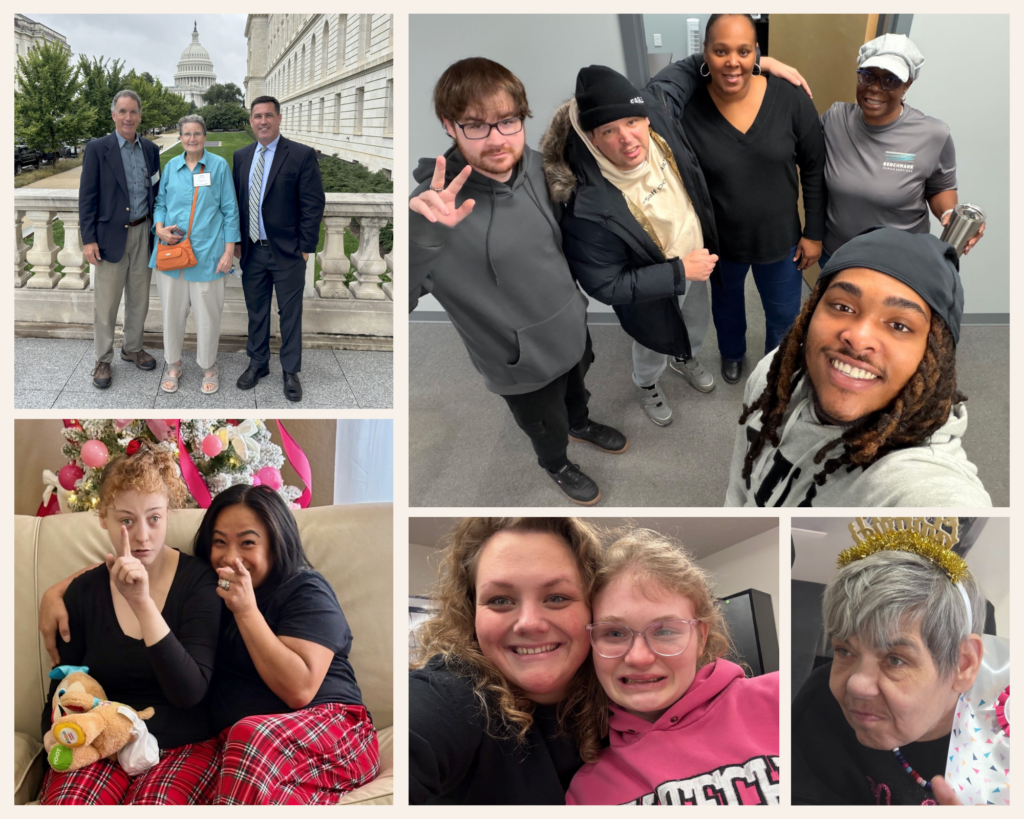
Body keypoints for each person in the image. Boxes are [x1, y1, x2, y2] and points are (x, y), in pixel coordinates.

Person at [40, 482, 379, 805]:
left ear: (276, 544)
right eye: (219, 543)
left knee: (247, 737)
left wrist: (246, 610)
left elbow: (300, 689)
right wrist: (55, 591)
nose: (230, 557)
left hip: (331, 728)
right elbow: (143, 563)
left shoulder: (304, 590)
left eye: (248, 543)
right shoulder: (207, 587)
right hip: (238, 750)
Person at [543, 57, 812, 425]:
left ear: (645, 117)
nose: (627, 138)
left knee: (695, 320)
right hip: (651, 284)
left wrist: (760, 59)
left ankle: (684, 356)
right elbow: (605, 283)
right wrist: (677, 272)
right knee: (653, 338)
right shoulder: (585, 201)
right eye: (608, 131)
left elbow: (690, 67)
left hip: (693, 260)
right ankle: (647, 382)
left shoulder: (658, 107)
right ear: (591, 138)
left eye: (632, 122)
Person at [409, 59, 628, 506]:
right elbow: (395, 301)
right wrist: (423, 236)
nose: (496, 139)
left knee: (578, 388)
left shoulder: (537, 165)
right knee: (544, 424)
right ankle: (557, 464)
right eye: (475, 125)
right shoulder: (431, 211)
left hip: (569, 324)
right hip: (518, 362)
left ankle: (581, 423)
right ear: (448, 126)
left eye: (507, 121)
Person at [727, 227, 992, 507]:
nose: (858, 338)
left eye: (899, 325)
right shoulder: (774, 374)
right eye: (843, 307)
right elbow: (737, 492)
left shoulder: (918, 482)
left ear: (934, 356)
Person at [37, 441, 222, 804]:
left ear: (169, 514)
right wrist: (61, 737)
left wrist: (142, 603)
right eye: (125, 520)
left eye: (154, 518)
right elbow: (63, 691)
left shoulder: (198, 581)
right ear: (102, 517)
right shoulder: (83, 593)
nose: (141, 536)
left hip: (179, 744)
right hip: (101, 744)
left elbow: (190, 692)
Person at [566, 530, 779, 805]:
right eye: (615, 634)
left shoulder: (780, 699)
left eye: (664, 631)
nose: (638, 658)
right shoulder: (586, 792)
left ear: (701, 637)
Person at [408, 518, 605, 804]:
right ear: (470, 610)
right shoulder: (451, 695)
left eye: (557, 597)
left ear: (594, 607)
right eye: (500, 600)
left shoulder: (629, 700)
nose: (529, 624)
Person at [683, 14, 826, 386]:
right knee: (727, 310)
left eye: (743, 51)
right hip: (720, 242)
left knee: (783, 314)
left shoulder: (791, 98)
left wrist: (813, 232)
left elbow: (813, 167)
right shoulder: (689, 107)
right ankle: (732, 354)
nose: (733, 62)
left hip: (781, 240)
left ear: (756, 53)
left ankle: (773, 369)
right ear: (705, 54)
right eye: (721, 51)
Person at [792, 539, 987, 805]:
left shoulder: (1002, 743)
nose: (856, 685)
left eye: (895, 660)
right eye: (844, 651)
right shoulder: (819, 705)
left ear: (963, 664)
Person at [821, 33, 984, 264]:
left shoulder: (933, 134)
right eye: (867, 76)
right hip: (837, 254)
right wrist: (762, 65)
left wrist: (951, 215)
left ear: (907, 85)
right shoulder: (835, 119)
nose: (875, 88)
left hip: (899, 261)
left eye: (890, 80)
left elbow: (941, 187)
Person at [233, 96, 326, 402]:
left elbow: (313, 205)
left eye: (268, 115)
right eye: (257, 116)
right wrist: (236, 242)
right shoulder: (242, 156)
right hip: (252, 250)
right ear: (251, 121)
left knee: (290, 314)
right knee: (256, 311)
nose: (263, 121)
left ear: (279, 118)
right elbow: (237, 203)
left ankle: (290, 371)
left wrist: (305, 248)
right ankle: (258, 363)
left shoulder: (299, 155)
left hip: (288, 252)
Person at [151, 115, 239, 395]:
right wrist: (159, 228)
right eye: (186, 134)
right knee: (172, 315)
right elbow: (160, 203)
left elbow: (230, 210)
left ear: (204, 136)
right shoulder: (171, 168)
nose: (192, 139)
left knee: (208, 317)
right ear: (179, 137)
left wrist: (228, 252)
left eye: (197, 134)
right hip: (172, 254)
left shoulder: (219, 166)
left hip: (208, 256)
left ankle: (209, 366)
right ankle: (174, 364)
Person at [79, 90, 162, 390]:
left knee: (139, 298)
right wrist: (89, 239)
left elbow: (156, 191)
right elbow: (87, 197)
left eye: (133, 112)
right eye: (122, 112)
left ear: (140, 116)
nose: (128, 117)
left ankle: (133, 348)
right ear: (113, 115)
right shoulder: (98, 148)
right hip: (110, 237)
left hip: (144, 233)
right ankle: (102, 358)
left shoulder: (151, 150)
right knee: (107, 302)